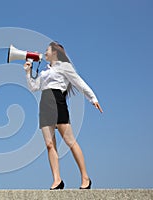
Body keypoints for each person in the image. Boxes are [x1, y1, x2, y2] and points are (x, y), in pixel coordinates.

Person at [24, 41, 103, 190]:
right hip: (45, 103)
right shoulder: (44, 71)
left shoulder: (64, 66)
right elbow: (34, 87)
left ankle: (85, 178)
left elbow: (79, 82)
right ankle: (57, 180)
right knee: (49, 145)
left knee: (70, 141)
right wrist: (28, 73)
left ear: (55, 52)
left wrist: (93, 98)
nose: (44, 52)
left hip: (57, 101)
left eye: (47, 49)